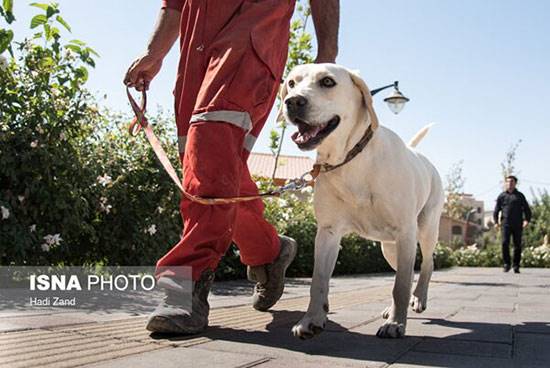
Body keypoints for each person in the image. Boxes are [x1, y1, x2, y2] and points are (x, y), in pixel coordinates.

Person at [123, 0, 340, 334]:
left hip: (252, 35)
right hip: (196, 47)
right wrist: (155, 52)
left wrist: (326, 55)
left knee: (210, 145)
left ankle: (186, 285)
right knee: (207, 164)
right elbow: (174, 5)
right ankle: (268, 249)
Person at [493, 175, 532, 273]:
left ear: (515, 183)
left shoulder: (520, 196)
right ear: (505, 183)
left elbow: (527, 209)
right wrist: (496, 222)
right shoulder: (502, 196)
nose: (509, 183)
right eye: (508, 182)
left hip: (518, 223)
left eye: (512, 182)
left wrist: (527, 220)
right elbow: (496, 210)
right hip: (505, 223)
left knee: (517, 244)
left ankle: (516, 265)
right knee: (505, 243)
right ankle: (506, 264)